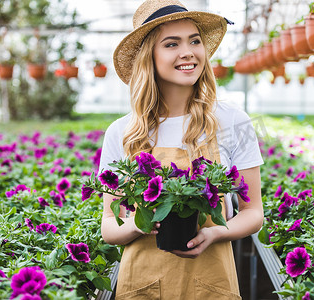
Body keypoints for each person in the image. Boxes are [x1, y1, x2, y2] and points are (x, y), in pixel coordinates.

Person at [98, 0, 264, 298]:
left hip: (211, 283)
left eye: (195, 41)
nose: (188, 52)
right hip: (142, 285)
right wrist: (141, 224)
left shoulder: (231, 121)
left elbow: (253, 212)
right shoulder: (122, 132)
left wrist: (215, 233)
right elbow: (109, 227)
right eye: (172, 44)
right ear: (149, 57)